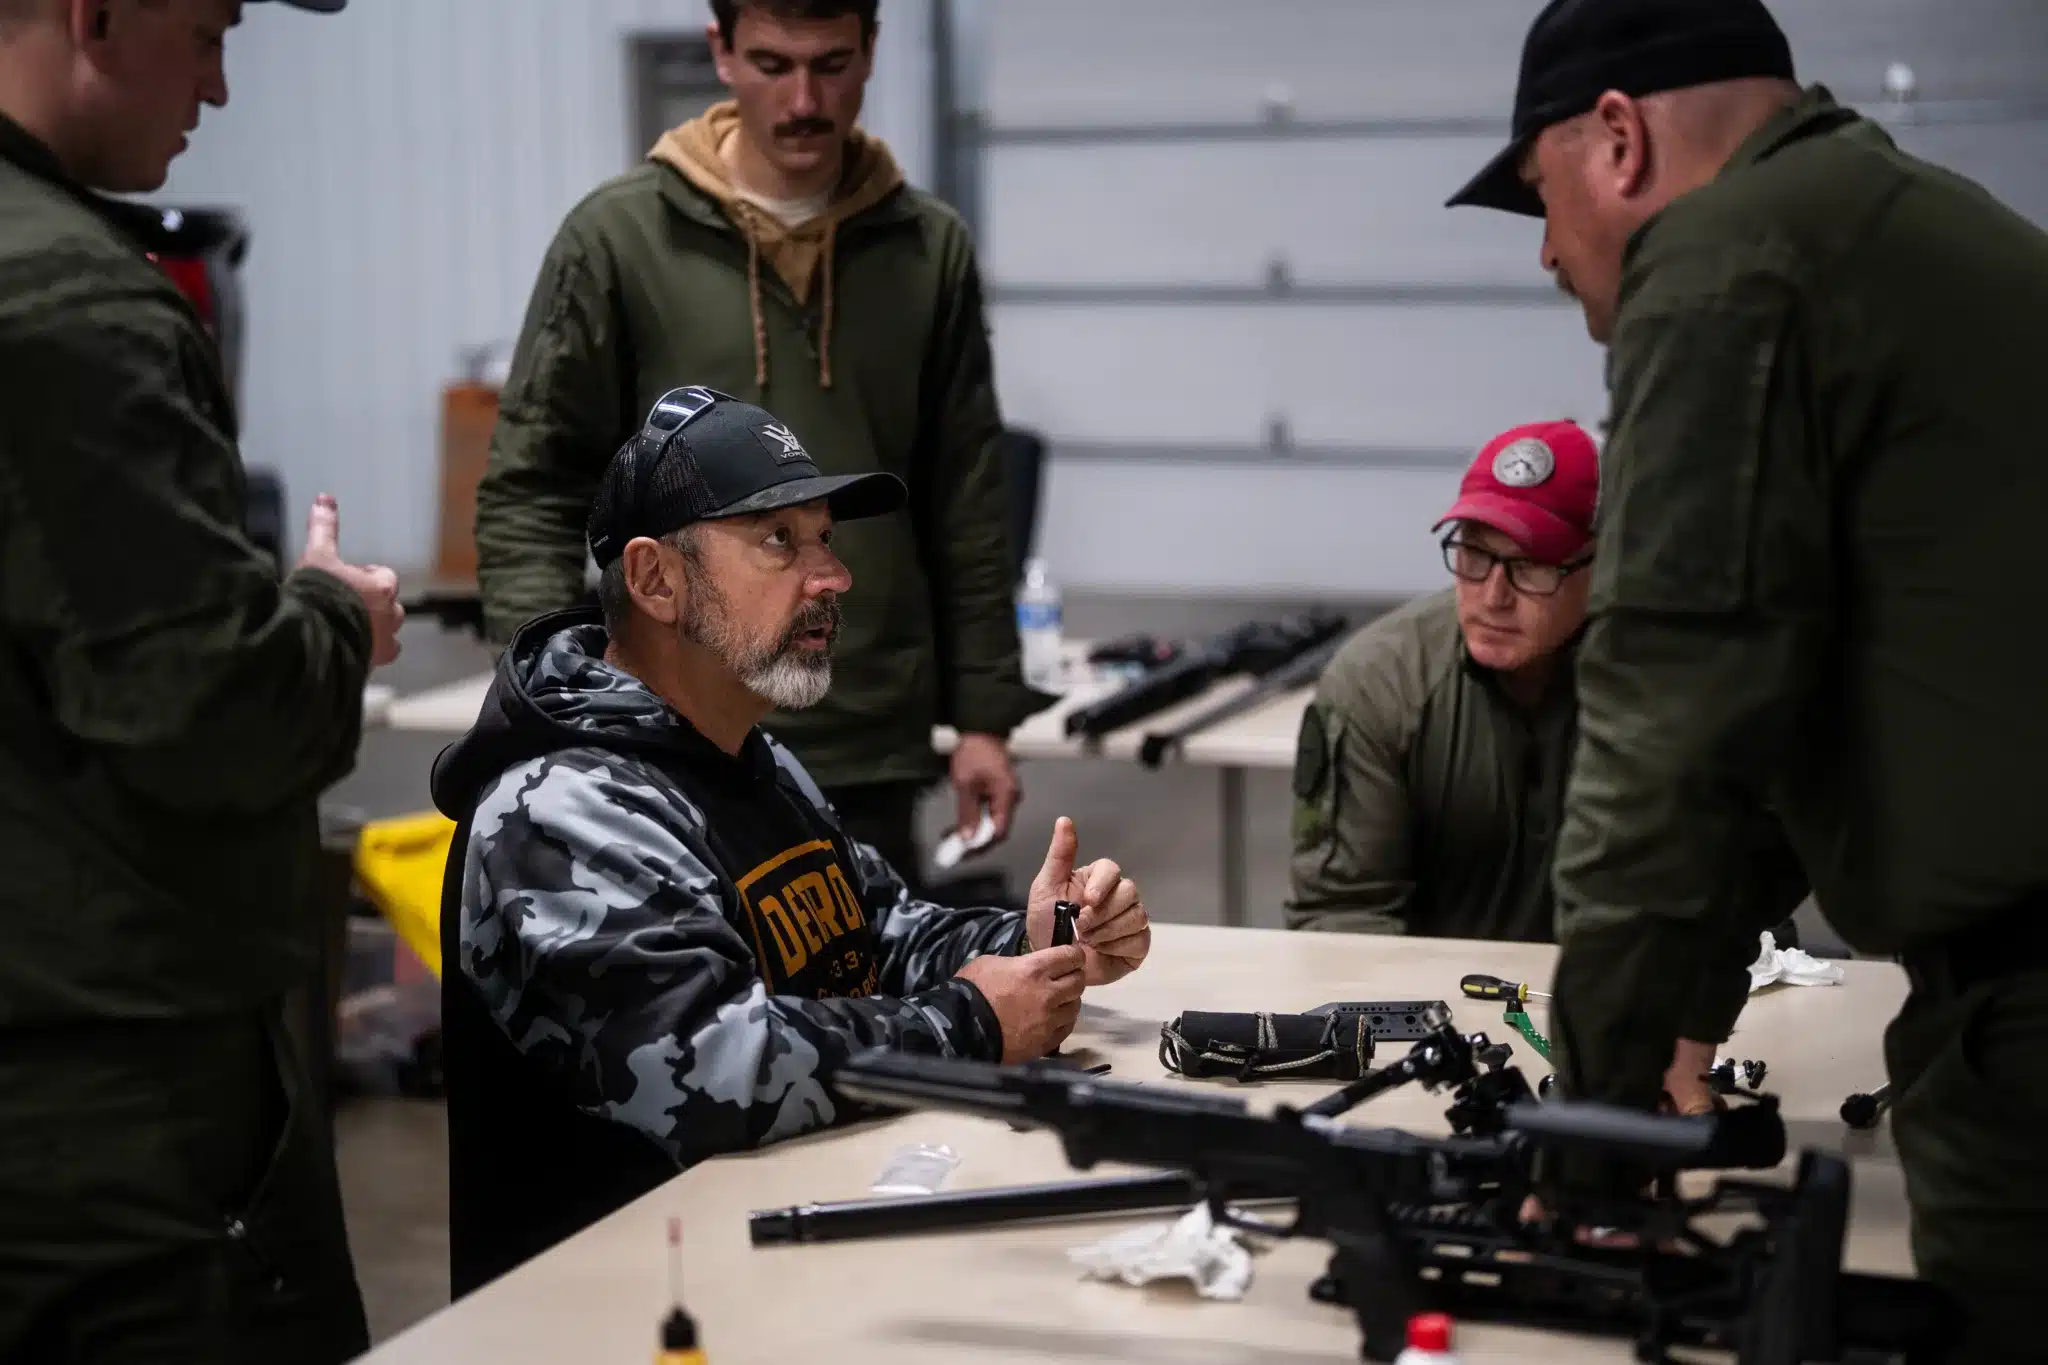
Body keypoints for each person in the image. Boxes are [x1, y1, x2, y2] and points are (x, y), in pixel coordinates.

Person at [1448, 0, 2048, 1353]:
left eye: (1541, 202)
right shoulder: (1883, 218)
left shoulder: (1724, 263)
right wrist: (1681, 1005)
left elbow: (1668, 725)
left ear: (1617, 142)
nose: (1549, 253)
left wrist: (1579, 1137)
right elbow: (1788, 697)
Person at [434, 387, 1151, 1296]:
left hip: (766, 1282)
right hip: (624, 1323)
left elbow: (877, 932)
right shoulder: (560, 808)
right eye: (779, 541)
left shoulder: (750, 759)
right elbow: (715, 1066)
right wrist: (973, 1021)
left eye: (826, 539)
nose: (832, 577)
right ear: (657, 580)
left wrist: (1040, 939)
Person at [0, 0, 401, 1360]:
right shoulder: (69, 300)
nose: (222, 88)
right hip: (105, 1100)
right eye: (211, 32)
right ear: (98, 15)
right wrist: (331, 615)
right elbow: (213, 710)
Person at [475, 0, 1044, 892]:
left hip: (864, 734)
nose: (806, 99)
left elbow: (966, 500)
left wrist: (984, 717)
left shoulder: (927, 250)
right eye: (774, 64)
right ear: (722, 53)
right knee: (675, 1014)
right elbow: (532, 485)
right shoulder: (618, 241)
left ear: (870, 53)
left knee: (861, 1010)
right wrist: (556, 695)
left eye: (831, 63)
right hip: (665, 732)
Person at [1286, 420, 1803, 1107]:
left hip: (1657, 1027)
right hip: (1446, 1044)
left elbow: (1731, 883)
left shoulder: (1666, 683)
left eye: (1531, 564)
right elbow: (1340, 922)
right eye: (1473, 553)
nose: (1493, 594)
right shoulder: (1381, 682)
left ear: (1604, 563)